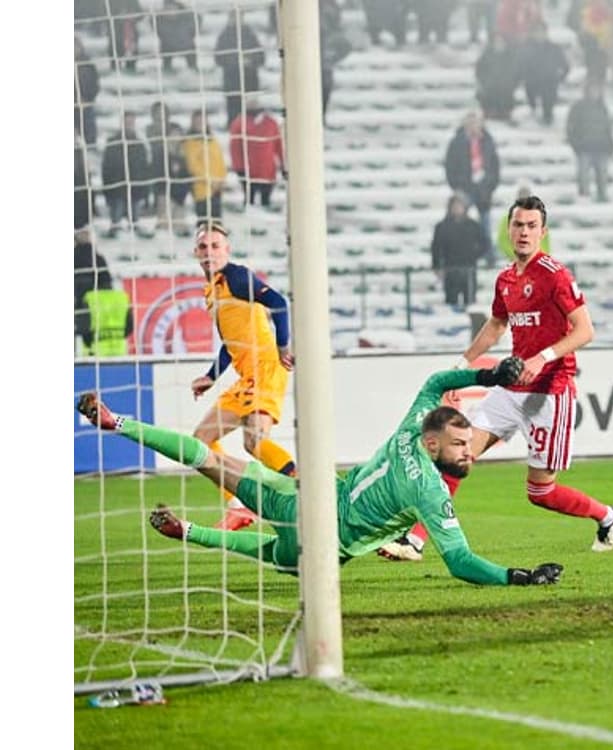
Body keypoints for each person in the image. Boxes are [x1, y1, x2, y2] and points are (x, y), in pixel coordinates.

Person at [76, 360, 565, 587]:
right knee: (274, 553)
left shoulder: (413, 426)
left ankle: (116, 422)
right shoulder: (430, 491)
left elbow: (436, 382)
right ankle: (192, 531)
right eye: (462, 446)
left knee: (208, 459)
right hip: (321, 539)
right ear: (434, 444)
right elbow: (458, 561)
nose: (470, 453)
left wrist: (488, 377)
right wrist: (516, 577)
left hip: (305, 498)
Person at [459, 195, 613, 551]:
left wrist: (543, 357)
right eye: (518, 225)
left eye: (531, 226)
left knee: (540, 492)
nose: (523, 232)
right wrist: (461, 367)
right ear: (509, 229)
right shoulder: (505, 278)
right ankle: (414, 540)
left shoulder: (555, 275)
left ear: (543, 231)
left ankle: (607, 516)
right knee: (456, 456)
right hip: (511, 390)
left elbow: (585, 330)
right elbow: (496, 324)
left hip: (549, 392)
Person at [188, 219, 297, 531]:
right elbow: (230, 342)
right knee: (202, 439)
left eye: (216, 246)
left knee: (255, 440)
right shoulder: (212, 291)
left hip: (265, 369)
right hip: (246, 376)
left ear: (227, 250)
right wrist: (211, 376)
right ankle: (239, 505)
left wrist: (282, 346)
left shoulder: (235, 276)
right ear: (196, 252)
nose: (210, 252)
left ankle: (305, 490)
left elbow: (278, 303)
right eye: (204, 246)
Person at [444, 111, 501, 253]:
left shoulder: (488, 141)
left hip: (483, 189)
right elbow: (450, 165)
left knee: (485, 222)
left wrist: (491, 184)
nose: (473, 127)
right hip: (464, 187)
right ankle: (456, 250)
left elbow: (495, 164)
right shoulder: (457, 142)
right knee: (458, 221)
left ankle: (488, 252)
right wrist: (456, 185)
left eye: (475, 123)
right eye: (470, 123)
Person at [431, 192, 488, 306]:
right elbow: (436, 247)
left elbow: (485, 243)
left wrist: (474, 255)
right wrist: (437, 266)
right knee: (451, 303)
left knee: (470, 303)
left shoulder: (473, 225)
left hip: (468, 269)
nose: (457, 208)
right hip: (450, 269)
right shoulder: (442, 226)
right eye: (454, 205)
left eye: (460, 205)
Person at [229, 99, 285, 209]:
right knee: (249, 200)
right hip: (248, 171)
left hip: (267, 171)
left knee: (266, 201)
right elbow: (235, 148)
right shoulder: (239, 124)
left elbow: (278, 146)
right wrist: (239, 168)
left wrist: (284, 164)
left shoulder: (270, 123)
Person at [565, 80, 613, 203]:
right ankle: (584, 199)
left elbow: (608, 127)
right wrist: (575, 144)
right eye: (593, 90)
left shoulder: (603, 107)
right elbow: (570, 127)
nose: (595, 93)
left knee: (602, 177)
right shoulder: (578, 107)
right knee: (583, 177)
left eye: (597, 90)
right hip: (584, 147)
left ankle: (602, 198)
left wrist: (611, 144)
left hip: (601, 147)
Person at [214, 9, 265, 126]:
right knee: (233, 113)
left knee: (251, 114)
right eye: (234, 17)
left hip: (250, 80)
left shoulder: (250, 35)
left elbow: (261, 57)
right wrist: (236, 61)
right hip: (232, 81)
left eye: (239, 17)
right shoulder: (224, 36)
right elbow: (218, 58)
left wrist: (249, 60)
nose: (237, 20)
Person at [519, 25, 569, 125]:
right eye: (537, 32)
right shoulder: (527, 48)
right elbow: (520, 64)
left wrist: (560, 78)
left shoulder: (554, 48)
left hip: (549, 81)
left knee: (549, 98)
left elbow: (565, 66)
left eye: (542, 32)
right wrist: (522, 77)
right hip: (532, 80)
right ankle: (532, 110)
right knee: (530, 91)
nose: (540, 35)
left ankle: (548, 116)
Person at [182, 110, 226, 220]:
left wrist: (221, 180)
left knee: (217, 220)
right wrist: (210, 180)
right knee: (205, 221)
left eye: (203, 121)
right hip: (201, 188)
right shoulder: (189, 142)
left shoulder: (212, 140)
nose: (200, 124)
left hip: (217, 188)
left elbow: (220, 161)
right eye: (197, 121)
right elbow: (193, 166)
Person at [495, 185, 551, 261]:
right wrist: (514, 255)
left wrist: (542, 257)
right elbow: (502, 240)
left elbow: (544, 240)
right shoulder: (508, 219)